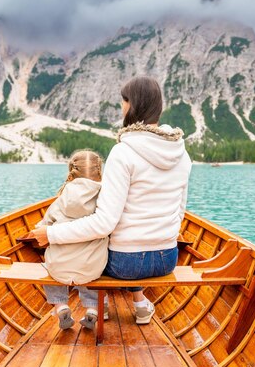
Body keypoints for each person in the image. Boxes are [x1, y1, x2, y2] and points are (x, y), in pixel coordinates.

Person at [29, 76, 192, 324]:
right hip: (168, 258)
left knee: (92, 250)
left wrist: (50, 235)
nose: (121, 107)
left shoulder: (123, 152)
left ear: (132, 105)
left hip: (126, 263)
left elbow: (104, 223)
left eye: (123, 102)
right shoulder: (182, 154)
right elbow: (179, 213)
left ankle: (98, 308)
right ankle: (139, 306)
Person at [36, 150, 109, 330]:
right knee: (92, 264)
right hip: (91, 269)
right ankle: (92, 310)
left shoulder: (61, 199)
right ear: (99, 171)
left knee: (48, 267)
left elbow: (43, 226)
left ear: (71, 171)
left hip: (60, 268)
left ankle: (60, 305)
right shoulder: (105, 199)